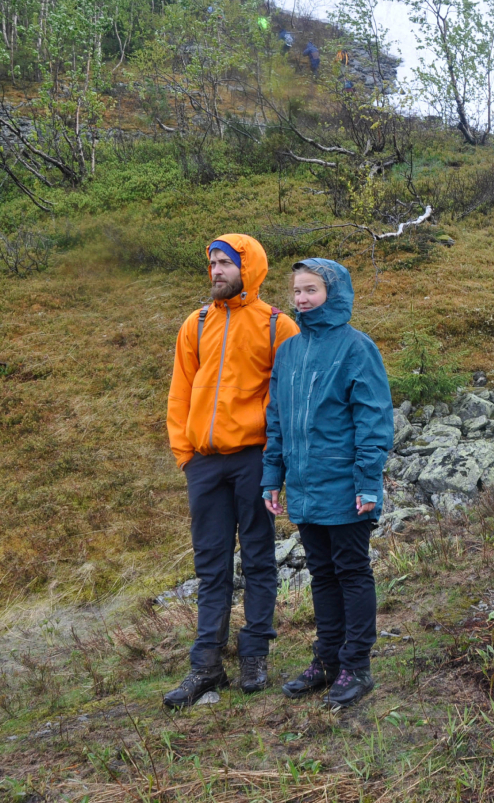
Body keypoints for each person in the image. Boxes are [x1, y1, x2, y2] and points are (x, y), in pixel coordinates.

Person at [163, 234, 299, 709]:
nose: (216, 271)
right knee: (211, 564)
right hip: (203, 463)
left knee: (260, 557)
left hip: (254, 460)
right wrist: (185, 454)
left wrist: (275, 459)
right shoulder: (196, 323)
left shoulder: (277, 327)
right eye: (212, 263)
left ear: (249, 267)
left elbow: (285, 397)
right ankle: (205, 666)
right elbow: (180, 393)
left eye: (225, 263)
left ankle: (255, 655)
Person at [261, 259, 393, 708]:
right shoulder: (290, 352)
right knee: (321, 574)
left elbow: (373, 420)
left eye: (311, 290)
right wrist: (272, 478)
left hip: (346, 484)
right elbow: (276, 421)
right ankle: (329, 660)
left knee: (352, 571)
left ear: (332, 293)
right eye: (296, 290)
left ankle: (356, 665)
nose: (301, 299)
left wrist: (368, 484)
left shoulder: (358, 348)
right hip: (303, 486)